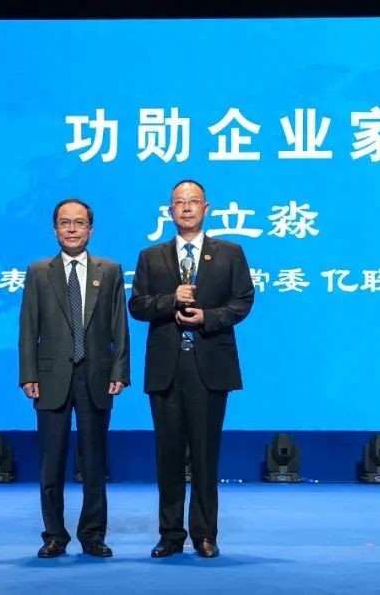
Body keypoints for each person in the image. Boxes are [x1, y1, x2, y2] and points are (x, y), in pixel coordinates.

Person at [128, 179, 255, 559]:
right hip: (166, 368)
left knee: (204, 454)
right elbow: (137, 305)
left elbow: (243, 301)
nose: (186, 208)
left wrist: (207, 317)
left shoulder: (229, 253)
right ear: (170, 211)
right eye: (179, 202)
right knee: (167, 455)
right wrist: (171, 300)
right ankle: (170, 534)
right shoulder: (151, 256)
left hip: (210, 366)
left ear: (206, 208)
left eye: (193, 201)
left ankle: (205, 534)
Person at [18, 198, 130, 559]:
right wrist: (28, 373)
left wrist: (120, 370)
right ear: (55, 230)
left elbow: (119, 326)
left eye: (79, 223)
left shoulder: (109, 270)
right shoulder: (39, 272)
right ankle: (54, 535)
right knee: (51, 463)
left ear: (90, 230)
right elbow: (28, 328)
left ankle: (93, 535)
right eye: (65, 223)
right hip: (50, 377)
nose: (72, 229)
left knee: (94, 462)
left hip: (96, 376)